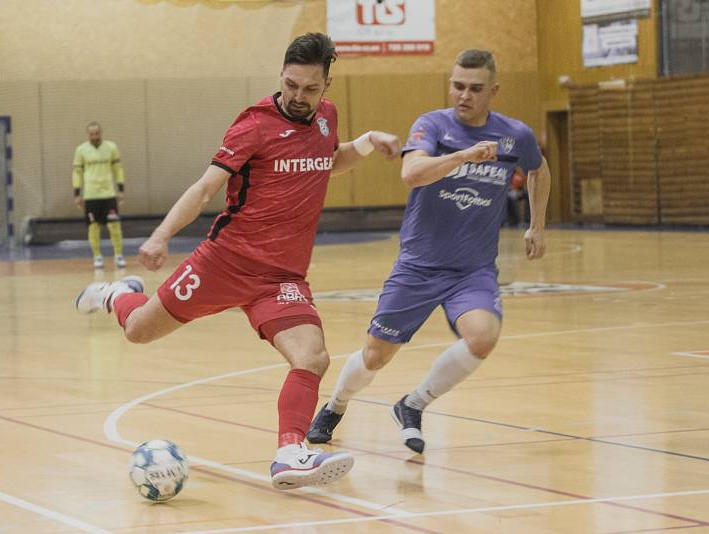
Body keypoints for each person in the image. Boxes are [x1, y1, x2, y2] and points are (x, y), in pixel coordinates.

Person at [75, 33, 400, 489]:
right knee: (139, 332)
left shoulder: (327, 117)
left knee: (312, 356)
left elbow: (325, 161)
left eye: (310, 89)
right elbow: (206, 187)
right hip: (225, 263)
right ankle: (118, 295)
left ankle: (290, 452)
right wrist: (161, 236)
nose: (298, 97)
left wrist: (366, 142)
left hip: (282, 276)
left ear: (327, 84)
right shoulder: (253, 125)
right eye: (290, 85)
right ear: (281, 77)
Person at [307, 49, 551, 454]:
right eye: (457, 85)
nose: (464, 95)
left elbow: (539, 168)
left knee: (483, 337)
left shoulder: (515, 135)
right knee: (375, 355)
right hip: (418, 268)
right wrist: (462, 156)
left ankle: (412, 404)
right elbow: (410, 174)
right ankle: (335, 405)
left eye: (475, 89)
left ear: (494, 90)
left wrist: (537, 224)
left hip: (472, 271)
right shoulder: (433, 125)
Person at [72, 122, 127, 269]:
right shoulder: (81, 150)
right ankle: (97, 257)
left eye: (97, 133)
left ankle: (118, 255)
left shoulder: (111, 147)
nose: (94, 136)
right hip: (90, 195)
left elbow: (118, 169)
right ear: (88, 134)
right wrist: (77, 193)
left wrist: (121, 190)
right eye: (91, 134)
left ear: (100, 133)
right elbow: (77, 173)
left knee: (114, 226)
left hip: (108, 194)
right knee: (93, 227)